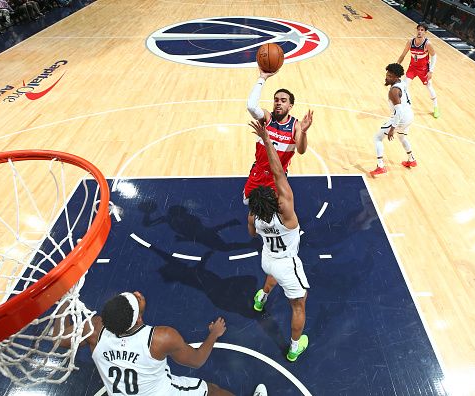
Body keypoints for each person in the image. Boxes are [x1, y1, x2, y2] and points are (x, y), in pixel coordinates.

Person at [54, 291, 268, 396]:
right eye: (137, 300)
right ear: (138, 319)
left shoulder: (95, 329)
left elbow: (61, 339)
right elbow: (197, 361)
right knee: (212, 390)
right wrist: (213, 335)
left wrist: (65, 300)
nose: (139, 294)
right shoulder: (161, 338)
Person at [247, 119, 310, 362]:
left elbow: (252, 234)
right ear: (275, 201)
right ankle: (294, 347)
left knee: (273, 274)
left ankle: (261, 298)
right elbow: (278, 172)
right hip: (286, 263)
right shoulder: (287, 216)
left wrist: (263, 139)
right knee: (299, 304)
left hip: (268, 259)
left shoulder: (254, 216)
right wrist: (267, 140)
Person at [243, 68, 313, 204]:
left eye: (283, 100)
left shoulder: (296, 125)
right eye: (276, 100)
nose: (278, 103)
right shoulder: (267, 118)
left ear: (290, 105)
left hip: (277, 178)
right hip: (258, 172)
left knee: (273, 211)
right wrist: (262, 78)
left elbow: (301, 150)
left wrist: (304, 132)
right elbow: (251, 107)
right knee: (250, 206)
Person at [369, 63, 415, 177]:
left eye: (389, 76)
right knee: (402, 137)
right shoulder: (402, 83)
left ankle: (380, 167)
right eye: (387, 75)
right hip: (409, 115)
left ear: (396, 77)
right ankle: (411, 159)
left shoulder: (393, 91)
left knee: (377, 137)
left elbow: (398, 112)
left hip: (401, 118)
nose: (386, 77)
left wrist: (392, 128)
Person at [396, 22, 440, 118]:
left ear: (425, 32)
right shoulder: (410, 42)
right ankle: (405, 106)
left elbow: (434, 56)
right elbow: (403, 55)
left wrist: (431, 71)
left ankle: (436, 107)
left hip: (424, 69)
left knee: (429, 87)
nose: (419, 31)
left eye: (422, 30)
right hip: (412, 67)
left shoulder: (427, 44)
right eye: (418, 29)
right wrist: (396, 66)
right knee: (404, 86)